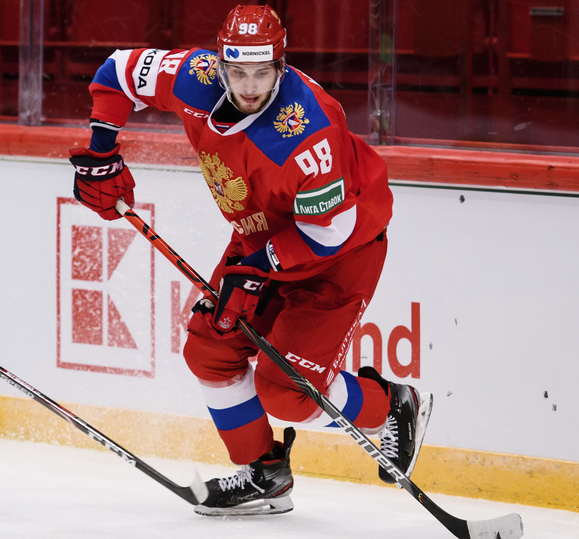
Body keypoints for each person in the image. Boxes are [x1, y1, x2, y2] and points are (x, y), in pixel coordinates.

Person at [70, 5, 432, 516]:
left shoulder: (308, 133)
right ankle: (264, 474)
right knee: (209, 350)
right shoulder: (194, 77)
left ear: (281, 67)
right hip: (261, 238)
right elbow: (116, 71)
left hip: (339, 255)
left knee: (287, 394)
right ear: (219, 64)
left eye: (263, 72)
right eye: (237, 71)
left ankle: (390, 406)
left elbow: (331, 231)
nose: (249, 86)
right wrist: (103, 153)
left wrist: (260, 267)